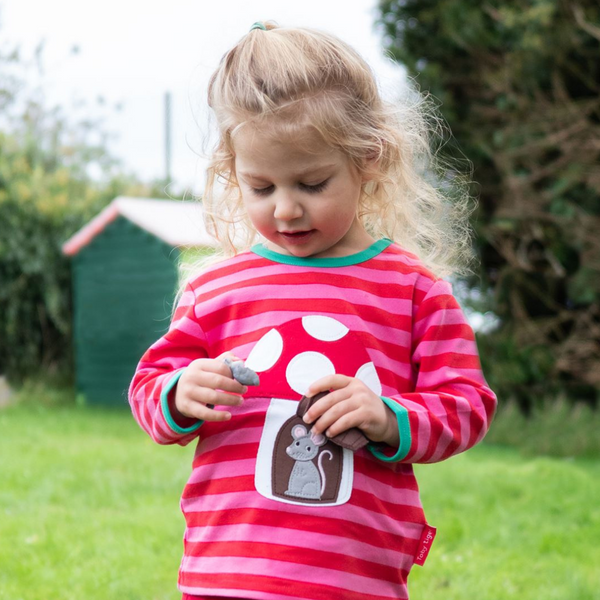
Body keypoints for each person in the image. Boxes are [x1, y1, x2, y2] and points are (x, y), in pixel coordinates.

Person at [129, 21, 497, 600]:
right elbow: (149, 390)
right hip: (228, 575)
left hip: (355, 580)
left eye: (312, 182)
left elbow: (467, 406)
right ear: (234, 174)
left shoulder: (413, 292)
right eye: (261, 187)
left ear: (368, 158)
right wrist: (178, 393)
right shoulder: (216, 289)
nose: (286, 209)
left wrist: (387, 417)